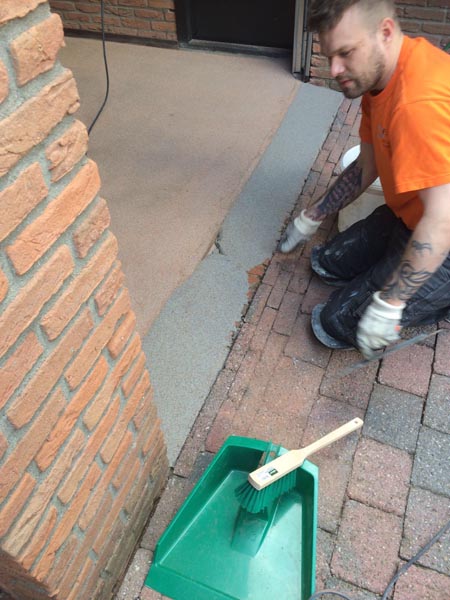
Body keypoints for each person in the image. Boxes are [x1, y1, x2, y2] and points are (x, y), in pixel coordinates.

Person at [279, 0, 450, 358]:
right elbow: (365, 166)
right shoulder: (379, 79)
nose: (335, 69)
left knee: (336, 322)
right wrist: (313, 215)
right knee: (328, 260)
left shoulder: (417, 104)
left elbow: (442, 221)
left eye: (345, 53)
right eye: (330, 56)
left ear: (384, 32)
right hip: (418, 210)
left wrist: (390, 305)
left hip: (443, 230)